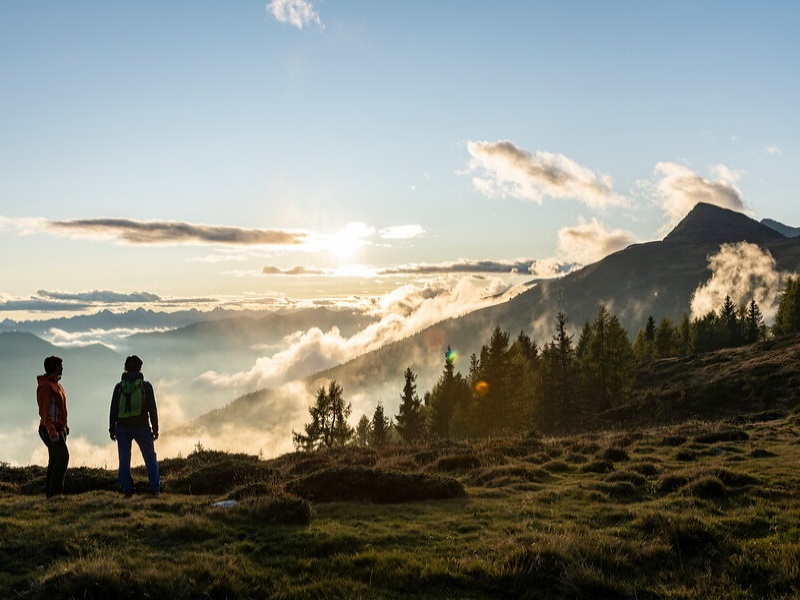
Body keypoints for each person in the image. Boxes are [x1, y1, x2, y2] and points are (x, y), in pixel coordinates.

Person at [109, 355, 160, 496]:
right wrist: (155, 429)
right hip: (141, 426)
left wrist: (112, 429)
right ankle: (154, 488)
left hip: (122, 427)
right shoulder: (146, 386)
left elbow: (113, 409)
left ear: (125, 368)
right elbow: (152, 408)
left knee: (124, 459)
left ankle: (127, 489)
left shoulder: (119, 387)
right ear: (140, 368)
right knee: (150, 457)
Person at [37, 355, 69, 498]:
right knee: (63, 458)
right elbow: (45, 412)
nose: (62, 367)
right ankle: (56, 494)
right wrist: (52, 432)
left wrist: (65, 426)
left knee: (54, 460)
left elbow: (61, 408)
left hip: (59, 429)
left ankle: (50, 496)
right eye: (60, 365)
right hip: (50, 430)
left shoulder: (57, 384)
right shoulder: (45, 386)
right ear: (55, 367)